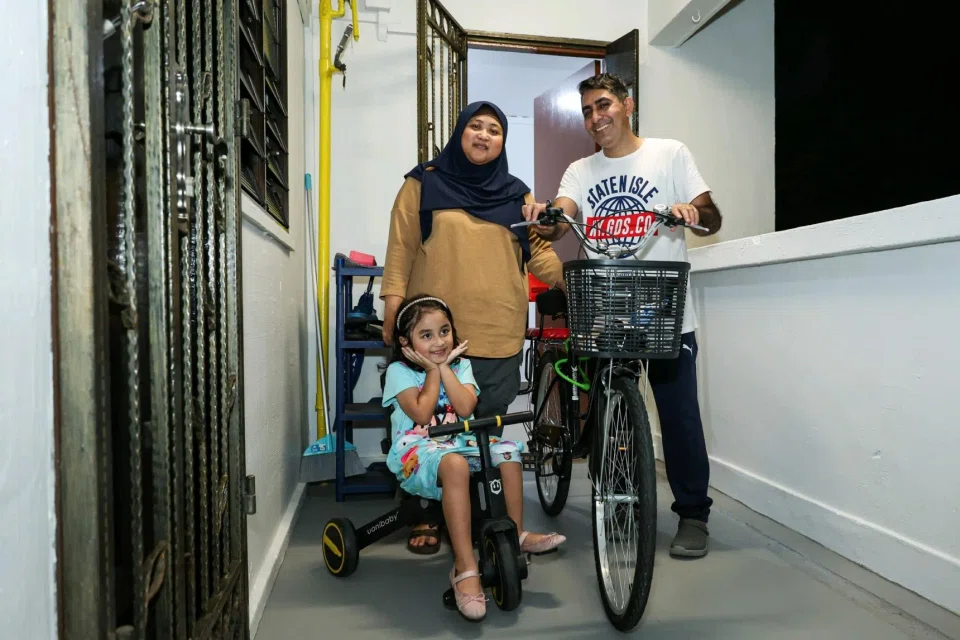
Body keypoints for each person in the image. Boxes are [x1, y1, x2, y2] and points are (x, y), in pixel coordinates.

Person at [521, 73, 723, 559]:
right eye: (588, 110)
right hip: (607, 309)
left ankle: (693, 514)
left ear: (627, 105)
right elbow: (562, 211)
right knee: (612, 414)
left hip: (665, 309)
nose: (596, 117)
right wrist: (547, 214)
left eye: (604, 104)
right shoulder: (580, 169)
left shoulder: (670, 154)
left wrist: (691, 213)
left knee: (679, 418)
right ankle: (619, 502)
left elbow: (712, 215)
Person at [380, 101, 564, 555]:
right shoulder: (423, 182)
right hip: (435, 337)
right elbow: (401, 249)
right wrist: (391, 307)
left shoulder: (517, 194)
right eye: (476, 127)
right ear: (460, 132)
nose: (484, 135)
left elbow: (537, 251)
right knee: (427, 429)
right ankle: (425, 515)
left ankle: (488, 521)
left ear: (503, 141)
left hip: (498, 332)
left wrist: (572, 282)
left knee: (482, 431)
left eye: (495, 130)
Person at [383, 294, 566, 621]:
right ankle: (465, 568)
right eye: (426, 336)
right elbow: (423, 413)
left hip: (459, 440)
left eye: (444, 331)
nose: (439, 341)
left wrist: (446, 368)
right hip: (416, 449)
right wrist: (433, 371)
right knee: (454, 464)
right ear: (405, 342)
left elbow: (466, 408)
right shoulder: (398, 372)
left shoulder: (461, 365)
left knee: (506, 450)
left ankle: (516, 535)